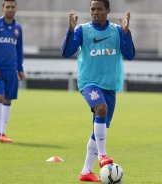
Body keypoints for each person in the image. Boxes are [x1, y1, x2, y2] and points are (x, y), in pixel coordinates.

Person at [61, 0, 135, 182]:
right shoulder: (82, 30)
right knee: (100, 109)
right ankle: (103, 156)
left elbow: (130, 54)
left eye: (99, 9)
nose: (95, 12)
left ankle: (86, 171)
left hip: (110, 86)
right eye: (92, 9)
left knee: (98, 129)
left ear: (107, 11)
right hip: (89, 83)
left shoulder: (117, 31)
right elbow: (66, 51)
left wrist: (126, 32)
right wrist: (70, 30)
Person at [0, 0, 25, 143]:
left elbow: (19, 49)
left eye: (12, 7)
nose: (10, 9)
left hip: (12, 69)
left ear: (16, 8)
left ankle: (3, 133)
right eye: (7, 7)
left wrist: (20, 69)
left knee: (8, 99)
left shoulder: (18, 28)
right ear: (3, 8)